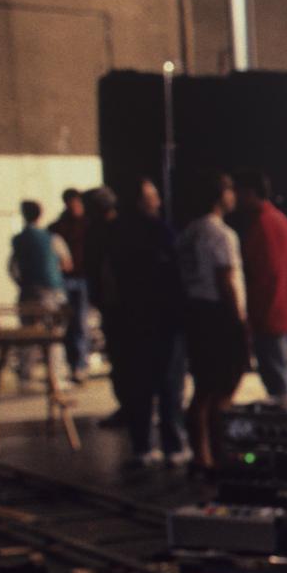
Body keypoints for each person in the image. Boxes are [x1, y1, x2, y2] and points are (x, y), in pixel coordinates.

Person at [109, 179, 188, 465]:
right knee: (169, 382)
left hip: (130, 318)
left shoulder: (116, 232)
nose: (158, 201)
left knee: (139, 384)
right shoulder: (159, 231)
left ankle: (142, 446)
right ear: (141, 201)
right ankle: (173, 445)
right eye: (153, 196)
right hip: (163, 317)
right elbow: (176, 272)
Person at [176, 170, 248, 470]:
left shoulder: (189, 232)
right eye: (230, 190)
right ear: (220, 195)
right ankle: (218, 452)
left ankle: (202, 453)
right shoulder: (221, 234)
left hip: (194, 311)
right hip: (218, 313)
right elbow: (225, 277)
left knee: (204, 387)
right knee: (221, 386)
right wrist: (239, 320)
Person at [234, 170, 287, 403]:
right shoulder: (276, 220)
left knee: (278, 378)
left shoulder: (266, 224)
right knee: (282, 373)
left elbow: (269, 276)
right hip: (280, 312)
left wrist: (257, 318)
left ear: (250, 193)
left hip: (272, 314)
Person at [49, 189, 93, 381]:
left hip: (83, 277)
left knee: (81, 322)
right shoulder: (58, 227)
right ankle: (72, 363)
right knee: (68, 323)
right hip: (65, 279)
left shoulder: (89, 225)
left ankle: (80, 364)